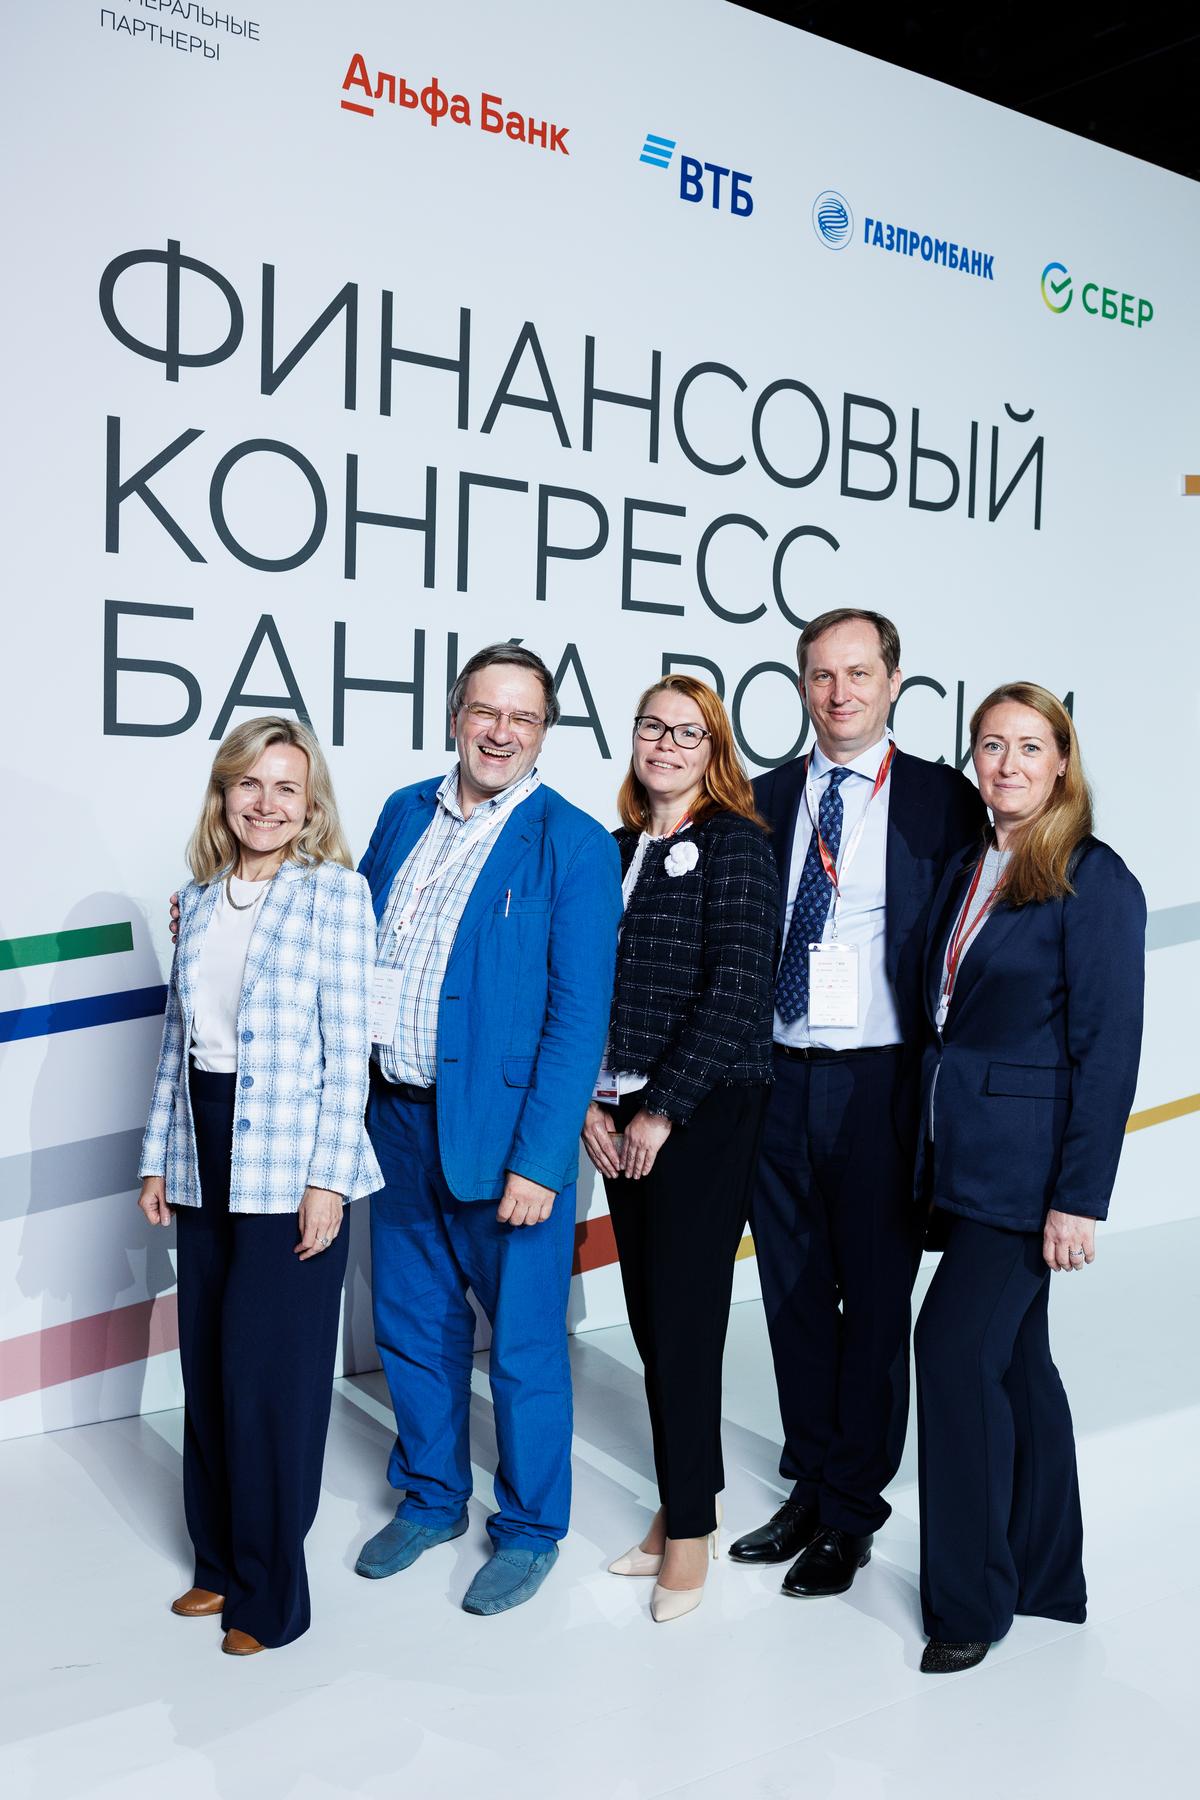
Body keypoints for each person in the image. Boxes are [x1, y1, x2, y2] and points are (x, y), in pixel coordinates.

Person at [354, 643, 621, 1616]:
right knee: (412, 1326)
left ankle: (531, 1527)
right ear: (455, 715)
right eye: (486, 712)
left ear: (544, 732)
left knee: (522, 1349)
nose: (501, 732)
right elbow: (349, 937)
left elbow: (578, 1018)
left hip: (506, 1142)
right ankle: (431, 1497)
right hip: (395, 1119)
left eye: (523, 717)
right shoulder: (402, 813)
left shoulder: (574, 844)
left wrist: (543, 1160)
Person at [730, 608, 987, 1597]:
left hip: (882, 1081)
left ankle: (850, 1513)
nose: (840, 693)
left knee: (874, 1302)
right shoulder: (761, 798)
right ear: (803, 686)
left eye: (858, 673)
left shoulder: (942, 800)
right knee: (793, 1296)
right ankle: (809, 1480)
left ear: (893, 683)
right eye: (822, 676)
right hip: (776, 1076)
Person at [913, 683, 1144, 1672]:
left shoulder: (1095, 879)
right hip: (957, 1154)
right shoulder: (972, 862)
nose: (1007, 764)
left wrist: (1078, 1198)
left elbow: (1110, 1051)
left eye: (1029, 746)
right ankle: (1049, 1575)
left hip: (1026, 1170)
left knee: (951, 1350)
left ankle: (970, 1602)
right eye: (991, 746)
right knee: (1015, 1364)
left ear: (1062, 761)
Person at [139, 717, 382, 1655]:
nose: (267, 803)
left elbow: (349, 1052)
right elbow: (179, 1041)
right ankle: (217, 1561)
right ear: (224, 794)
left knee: (269, 1380)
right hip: (203, 1145)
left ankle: (271, 1596)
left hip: (290, 1157)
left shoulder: (336, 894)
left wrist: (329, 1180)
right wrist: (159, 1154)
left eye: (287, 786)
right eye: (250, 784)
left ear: (311, 802)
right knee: (207, 1364)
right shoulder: (198, 899)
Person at [581, 676, 777, 1623]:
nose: (665, 744)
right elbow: (582, 983)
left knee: (687, 1321)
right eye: (652, 727)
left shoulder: (737, 843)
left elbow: (739, 987)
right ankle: (685, 1498)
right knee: (654, 1321)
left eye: (687, 732)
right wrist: (590, 1099)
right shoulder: (615, 848)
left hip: (703, 1112)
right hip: (617, 1108)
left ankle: (690, 1532)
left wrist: (659, 1110)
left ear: (714, 750)